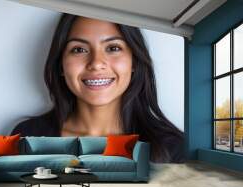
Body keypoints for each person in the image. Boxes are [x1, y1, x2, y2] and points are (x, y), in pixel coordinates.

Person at [11, 14, 185, 163]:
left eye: (113, 48)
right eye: (79, 49)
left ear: (134, 62)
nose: (96, 64)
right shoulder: (27, 136)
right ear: (61, 65)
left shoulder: (172, 147)